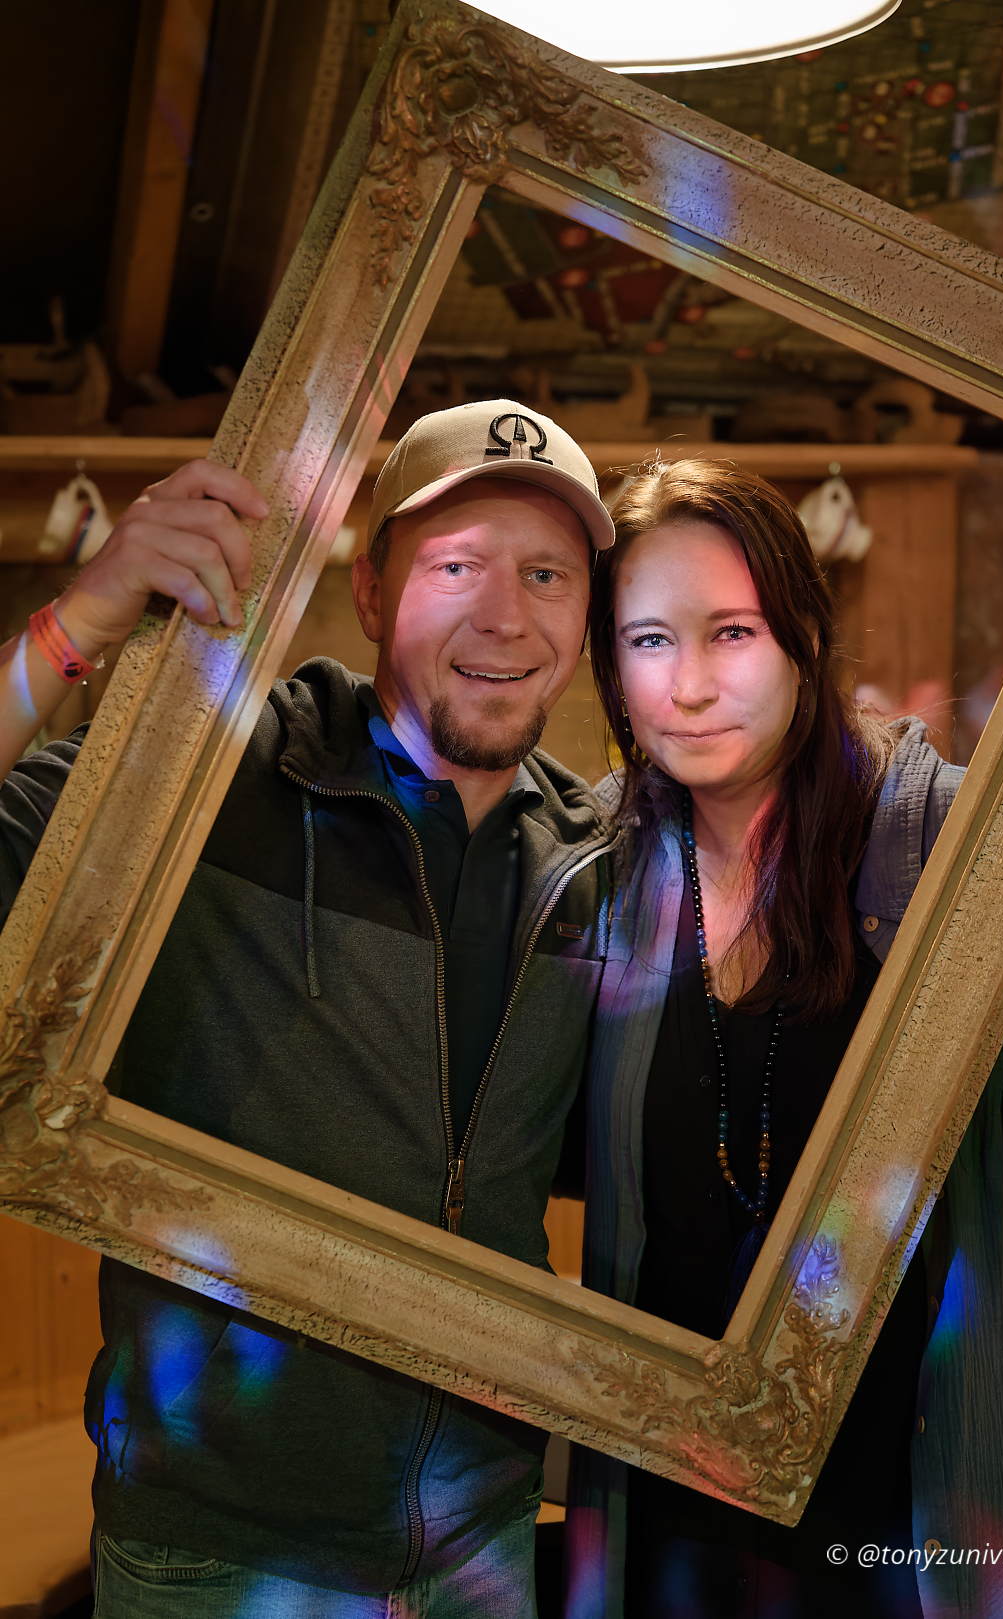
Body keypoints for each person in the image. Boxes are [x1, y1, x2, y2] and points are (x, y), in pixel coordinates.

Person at [0, 399, 619, 1617]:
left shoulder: (596, 864)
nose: (506, 614)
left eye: (546, 573)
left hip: (486, 1545)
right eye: (457, 566)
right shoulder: (209, 779)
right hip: (214, 1556)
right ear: (373, 590)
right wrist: (79, 625)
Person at [564, 458, 1003, 1619]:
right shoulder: (594, 868)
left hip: (924, 1519)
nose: (691, 684)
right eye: (649, 640)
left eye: (732, 632)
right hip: (675, 1525)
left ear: (803, 632)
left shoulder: (950, 839)